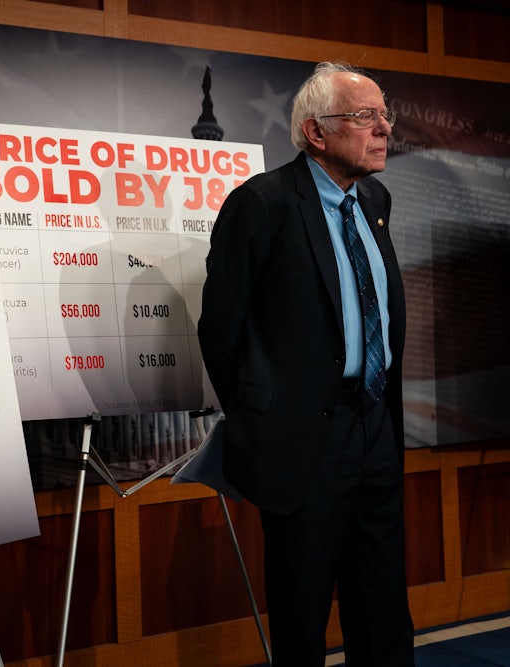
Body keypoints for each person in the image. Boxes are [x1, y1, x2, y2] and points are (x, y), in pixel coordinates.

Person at [197, 62, 413, 665]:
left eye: (385, 116)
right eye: (366, 117)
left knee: (383, 603)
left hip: (373, 429)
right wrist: (260, 418)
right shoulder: (260, 204)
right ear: (316, 132)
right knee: (302, 614)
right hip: (300, 441)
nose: (384, 129)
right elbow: (221, 329)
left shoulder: (375, 199)